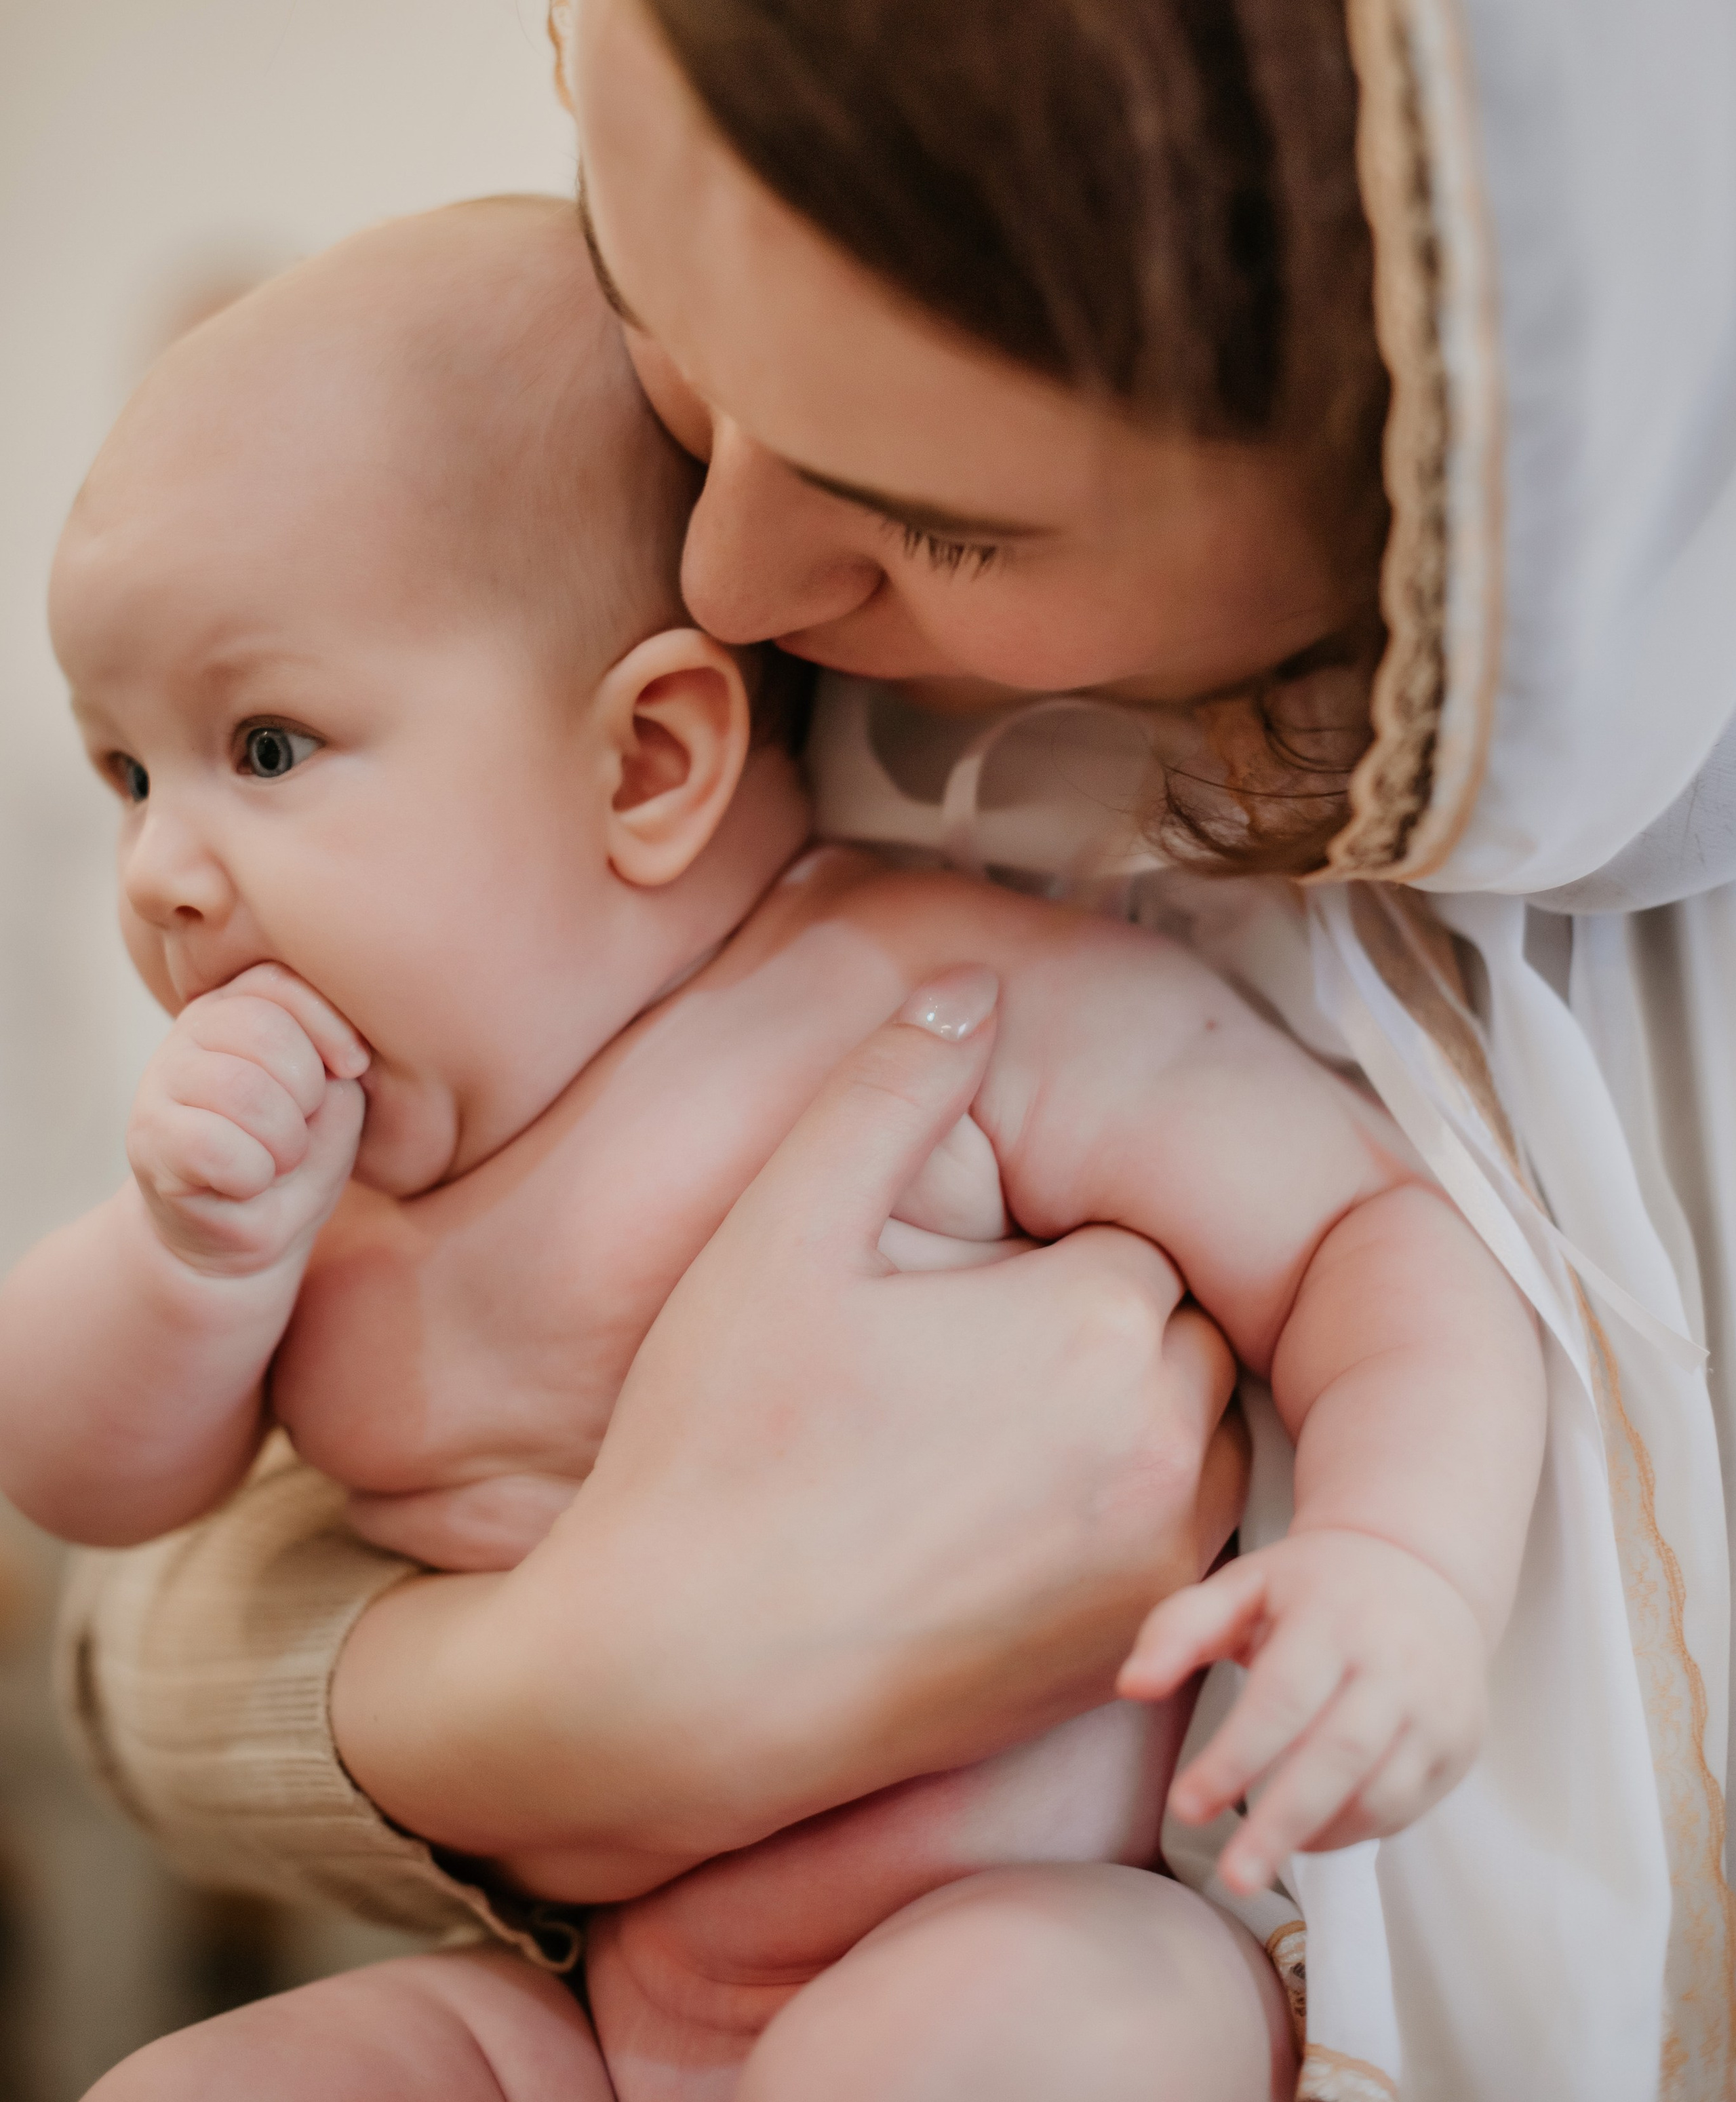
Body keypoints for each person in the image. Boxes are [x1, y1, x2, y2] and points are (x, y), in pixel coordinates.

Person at [52, 0, 1736, 2095]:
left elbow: (1386, 1277)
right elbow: (144, 1613)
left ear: (1458, 487)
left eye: (936, 516)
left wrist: (1387, 1559)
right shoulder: (750, 774)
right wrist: (573, 1689)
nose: (730, 570)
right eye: (675, 372)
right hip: (599, 1988)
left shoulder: (981, 979)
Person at [1, 194, 1541, 2099]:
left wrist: (1403, 1560)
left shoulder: (918, 993)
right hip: (581, 2005)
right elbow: (77, 1475)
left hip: (1018, 1938)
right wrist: (188, 1260)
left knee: (1032, 2029)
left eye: (268, 746)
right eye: (124, 769)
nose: (159, 871)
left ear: (649, 762)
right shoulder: (322, 1201)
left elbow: (1358, 1238)